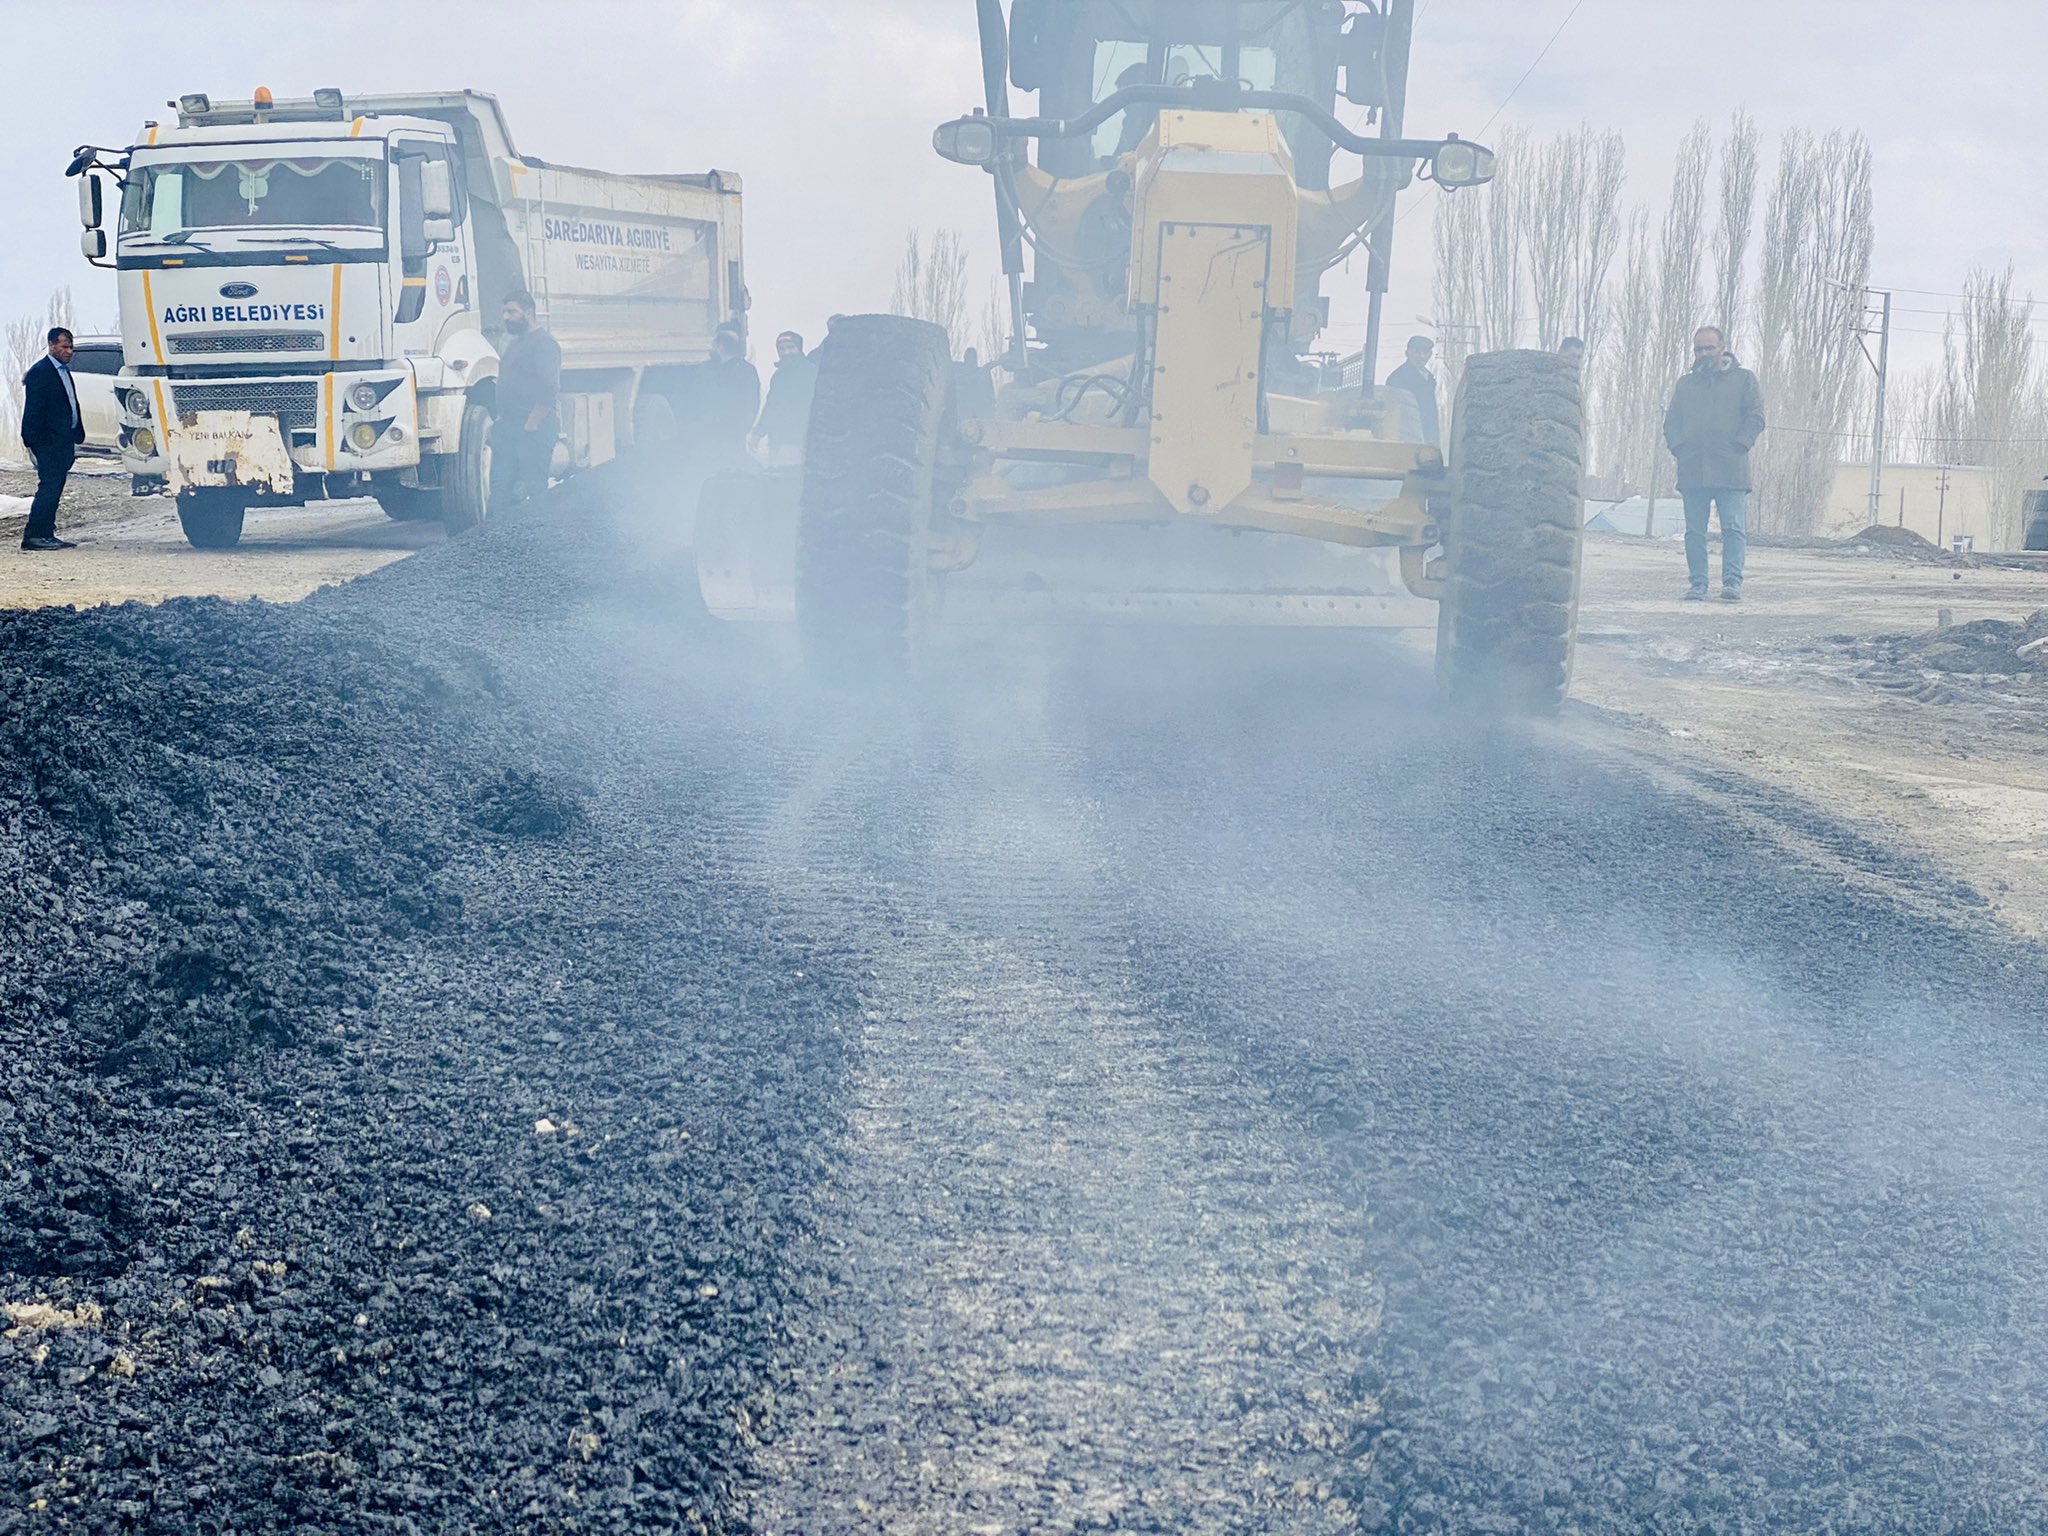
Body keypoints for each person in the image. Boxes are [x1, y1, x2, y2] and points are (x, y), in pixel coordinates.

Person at [1663, 324, 1766, 602]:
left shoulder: (1744, 380)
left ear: (1722, 347)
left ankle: (1732, 582)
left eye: (1709, 347)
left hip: (1731, 469)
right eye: (1699, 349)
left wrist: (1740, 445)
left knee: (1733, 528)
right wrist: (1680, 448)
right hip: (1693, 468)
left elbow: (1755, 417)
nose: (1704, 353)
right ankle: (1698, 584)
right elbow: (1671, 422)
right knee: (1694, 532)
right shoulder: (1685, 384)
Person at [491, 291, 560, 510]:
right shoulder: (516, 343)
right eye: (504, 312)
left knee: (535, 489)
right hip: (509, 428)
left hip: (532, 430)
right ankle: (496, 540)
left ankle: (542, 539)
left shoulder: (544, 344)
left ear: (528, 313)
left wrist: (532, 423)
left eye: (512, 312)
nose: (506, 317)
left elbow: (549, 388)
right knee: (501, 489)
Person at [18, 328, 84, 551]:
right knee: (49, 486)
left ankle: (46, 533)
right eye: (64, 347)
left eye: (71, 347)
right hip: (48, 442)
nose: (69, 351)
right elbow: (34, 410)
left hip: (64, 440)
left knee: (55, 487)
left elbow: (70, 403)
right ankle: (35, 535)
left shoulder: (63, 371)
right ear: (52, 345)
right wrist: (34, 441)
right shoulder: (41, 372)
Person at [700, 323, 762, 474]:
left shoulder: (743, 371)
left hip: (731, 433)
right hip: (711, 432)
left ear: (719, 346)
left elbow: (750, 404)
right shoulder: (708, 369)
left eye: (714, 344)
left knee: (731, 468)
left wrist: (741, 428)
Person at [751, 330, 818, 466]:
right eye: (782, 349)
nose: (786, 352)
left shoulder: (811, 372)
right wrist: (759, 432)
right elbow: (771, 406)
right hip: (777, 439)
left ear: (799, 349)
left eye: (790, 347)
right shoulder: (778, 376)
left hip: (801, 439)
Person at [1386, 335, 1439, 447]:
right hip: (1406, 435)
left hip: (1428, 430)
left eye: (1425, 353)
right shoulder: (1398, 377)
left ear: (1429, 355)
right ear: (1408, 353)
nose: (1421, 357)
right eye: (1417, 352)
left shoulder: (1429, 377)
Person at [954, 346, 998, 421]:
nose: (971, 360)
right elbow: (990, 396)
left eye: (972, 357)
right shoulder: (959, 370)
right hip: (966, 413)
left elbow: (990, 395)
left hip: (978, 414)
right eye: (970, 357)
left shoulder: (982, 373)